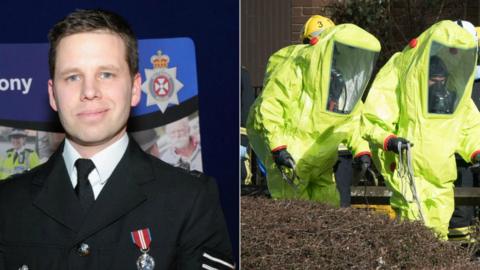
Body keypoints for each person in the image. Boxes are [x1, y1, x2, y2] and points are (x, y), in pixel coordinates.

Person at [0, 9, 234, 269]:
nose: (89, 91)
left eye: (106, 74)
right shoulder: (8, 204)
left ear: (135, 89)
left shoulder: (189, 200)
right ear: (53, 94)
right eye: (73, 77)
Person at [361, 20, 480, 239]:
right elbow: (375, 116)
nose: (438, 83)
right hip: (408, 169)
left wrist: (476, 151)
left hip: (441, 175)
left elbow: (470, 125)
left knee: (438, 233)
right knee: (414, 231)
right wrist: (389, 140)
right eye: (434, 79)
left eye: (441, 79)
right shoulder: (403, 71)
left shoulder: (455, 91)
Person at [247, 23, 379, 205]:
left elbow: (354, 119)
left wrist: (362, 150)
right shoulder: (293, 70)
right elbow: (270, 109)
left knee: (329, 216)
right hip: (293, 159)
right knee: (294, 216)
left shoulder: (339, 82)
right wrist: (279, 148)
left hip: (324, 162)